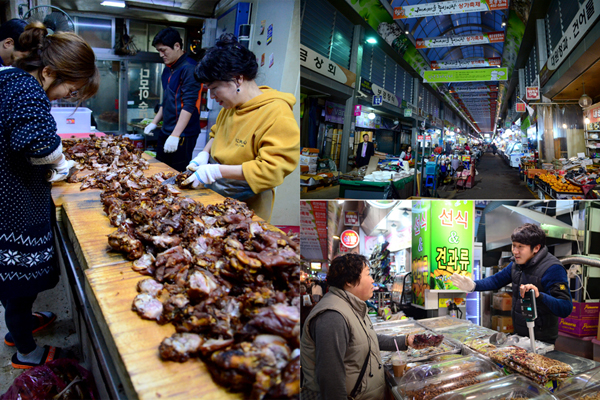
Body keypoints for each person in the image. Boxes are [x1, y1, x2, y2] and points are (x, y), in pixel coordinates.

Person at [0, 22, 99, 369]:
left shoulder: (8, 80)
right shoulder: (26, 88)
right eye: (70, 89)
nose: (66, 97)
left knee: (15, 283)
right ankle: (25, 350)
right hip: (12, 206)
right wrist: (60, 160)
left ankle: (21, 322)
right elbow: (36, 143)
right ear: (48, 72)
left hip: (10, 196)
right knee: (18, 282)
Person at [183, 34, 299, 221]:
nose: (211, 96)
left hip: (248, 205)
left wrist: (215, 171)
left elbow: (272, 169)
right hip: (217, 193)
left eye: (214, 88)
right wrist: (203, 155)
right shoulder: (230, 106)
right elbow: (216, 134)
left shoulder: (276, 112)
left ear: (237, 79)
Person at [301, 254, 434, 400]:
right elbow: (331, 380)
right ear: (349, 281)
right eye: (368, 274)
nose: (372, 280)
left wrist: (406, 341)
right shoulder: (332, 317)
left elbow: (365, 339)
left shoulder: (352, 306)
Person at [450, 223, 572, 344]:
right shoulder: (516, 264)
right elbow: (496, 280)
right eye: (513, 246)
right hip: (520, 335)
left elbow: (565, 308)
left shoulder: (552, 268)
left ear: (536, 248)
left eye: (520, 247)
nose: (515, 251)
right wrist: (474, 286)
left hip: (542, 339)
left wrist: (539, 296)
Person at [144, 27, 202, 172]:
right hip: (166, 130)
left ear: (177, 46)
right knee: (159, 170)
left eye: (163, 50)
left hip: (184, 134)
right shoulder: (168, 69)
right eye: (158, 51)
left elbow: (189, 105)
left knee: (176, 174)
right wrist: (154, 123)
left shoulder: (189, 68)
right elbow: (167, 100)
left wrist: (176, 135)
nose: (161, 54)